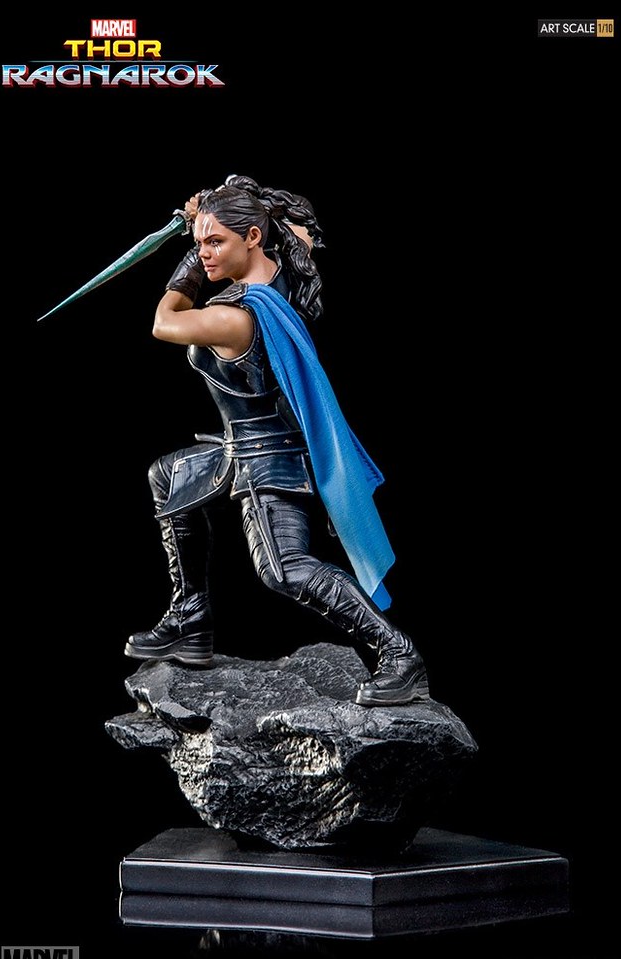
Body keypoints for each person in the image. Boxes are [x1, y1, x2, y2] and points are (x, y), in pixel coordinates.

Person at [125, 175, 428, 707]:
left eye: (215, 242)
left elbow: (163, 321)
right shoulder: (286, 261)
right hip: (238, 446)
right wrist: (214, 211)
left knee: (283, 570)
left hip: (270, 456)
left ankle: (400, 655)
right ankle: (191, 620)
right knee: (168, 476)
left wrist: (190, 260)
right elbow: (291, 223)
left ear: (252, 238)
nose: (205, 252)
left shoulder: (233, 317)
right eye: (199, 244)